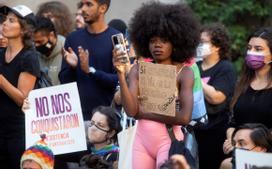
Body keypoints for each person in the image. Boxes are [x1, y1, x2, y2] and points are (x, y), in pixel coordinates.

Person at [113, 2, 199, 168]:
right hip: (141, 141)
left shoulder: (185, 73)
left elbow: (184, 118)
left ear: (176, 42)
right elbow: (131, 111)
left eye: (164, 41)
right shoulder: (138, 69)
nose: (157, 45)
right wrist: (120, 74)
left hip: (168, 140)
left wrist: (143, 112)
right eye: (153, 41)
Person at [224, 28, 272, 155]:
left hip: (269, 154)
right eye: (249, 48)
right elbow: (232, 121)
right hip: (239, 151)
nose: (251, 52)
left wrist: (248, 141)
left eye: (258, 49)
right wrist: (232, 139)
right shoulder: (241, 83)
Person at [59, 0, 119, 121]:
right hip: (76, 118)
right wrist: (73, 67)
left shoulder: (116, 38)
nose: (83, 9)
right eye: (82, 5)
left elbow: (118, 81)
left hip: (106, 119)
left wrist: (91, 71)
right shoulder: (73, 38)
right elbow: (64, 80)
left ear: (102, 8)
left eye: (89, 4)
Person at [0, 5, 40, 169]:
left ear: (24, 30)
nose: (4, 24)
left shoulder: (28, 57)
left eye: (11, 21)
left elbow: (22, 98)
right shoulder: (0, 53)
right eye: (4, 20)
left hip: (18, 132)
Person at [195, 23, 237, 169]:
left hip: (215, 131)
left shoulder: (225, 68)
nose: (200, 45)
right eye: (198, 42)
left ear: (217, 46)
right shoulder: (196, 66)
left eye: (204, 42)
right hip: (195, 130)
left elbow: (217, 97)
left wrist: (195, 78)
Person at [34, 16, 65, 86]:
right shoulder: (34, 54)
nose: (36, 45)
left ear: (51, 35)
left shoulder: (67, 50)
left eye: (40, 42)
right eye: (34, 42)